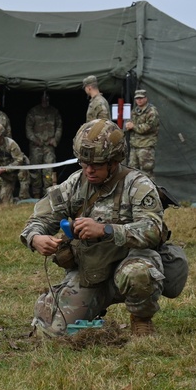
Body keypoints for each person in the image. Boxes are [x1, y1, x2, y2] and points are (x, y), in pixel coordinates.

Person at [20, 119, 166, 337]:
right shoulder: (75, 184)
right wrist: (35, 238)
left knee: (137, 274)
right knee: (51, 331)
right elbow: (40, 218)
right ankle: (91, 306)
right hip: (92, 270)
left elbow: (154, 229)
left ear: (114, 162)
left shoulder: (137, 185)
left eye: (96, 165)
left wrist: (106, 230)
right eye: (84, 163)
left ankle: (141, 318)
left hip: (129, 263)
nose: (88, 170)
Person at [24, 92, 62, 197]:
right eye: (44, 99)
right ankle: (36, 194)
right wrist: (35, 139)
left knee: (48, 171)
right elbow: (28, 129)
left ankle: (48, 194)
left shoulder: (54, 112)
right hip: (36, 147)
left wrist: (55, 140)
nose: (45, 101)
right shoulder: (33, 112)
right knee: (35, 171)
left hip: (49, 147)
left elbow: (59, 127)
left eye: (47, 99)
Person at [0, 123, 31, 204]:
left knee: (23, 172)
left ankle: (24, 198)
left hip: (18, 169)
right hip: (6, 174)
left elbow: (19, 160)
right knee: (5, 200)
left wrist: (4, 169)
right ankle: (14, 201)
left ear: (2, 136)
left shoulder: (11, 144)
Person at [125, 89, 160, 177]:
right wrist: (128, 125)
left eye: (141, 98)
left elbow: (148, 127)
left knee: (147, 172)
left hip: (146, 146)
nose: (139, 100)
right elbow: (129, 122)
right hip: (135, 146)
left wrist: (133, 126)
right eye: (137, 98)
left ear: (146, 98)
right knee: (132, 170)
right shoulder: (135, 111)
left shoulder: (151, 111)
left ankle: (149, 190)